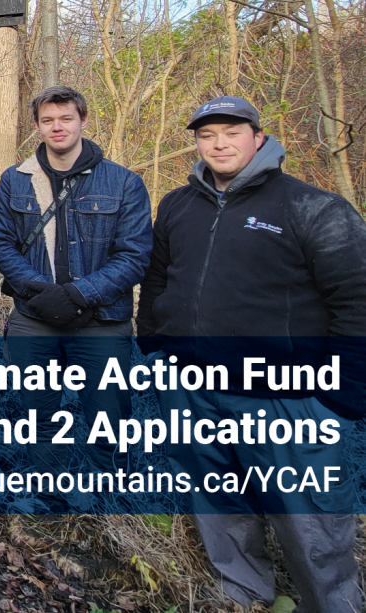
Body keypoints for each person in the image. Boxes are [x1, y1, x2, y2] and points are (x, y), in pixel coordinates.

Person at [137, 96, 366, 613]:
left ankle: (332, 604)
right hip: (192, 392)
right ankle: (242, 596)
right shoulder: (177, 204)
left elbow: (356, 300)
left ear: (257, 138)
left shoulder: (313, 208)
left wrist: (344, 397)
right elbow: (157, 281)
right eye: (207, 134)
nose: (219, 143)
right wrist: (152, 348)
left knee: (311, 523)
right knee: (219, 508)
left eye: (231, 132)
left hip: (286, 399)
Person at [0, 85, 152, 512]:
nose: (57, 127)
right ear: (37, 126)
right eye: (48, 120)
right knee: (39, 413)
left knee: (108, 413)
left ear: (83, 121)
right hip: (34, 316)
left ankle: (108, 501)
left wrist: (78, 294)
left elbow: (135, 255)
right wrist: (40, 292)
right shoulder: (15, 179)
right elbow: (0, 242)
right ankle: (47, 494)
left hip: (101, 320)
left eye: (66, 119)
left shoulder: (124, 182)